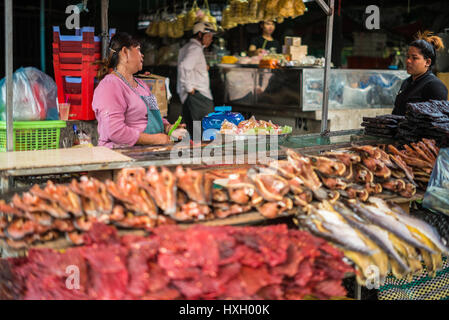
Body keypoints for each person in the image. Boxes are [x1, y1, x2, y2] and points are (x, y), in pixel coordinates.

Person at [93, 32, 186, 148]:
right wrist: (154, 139)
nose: (142, 55)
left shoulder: (142, 85)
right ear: (125, 52)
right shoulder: (110, 85)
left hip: (146, 153)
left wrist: (168, 128)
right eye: (138, 50)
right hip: (121, 155)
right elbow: (114, 131)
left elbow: (154, 115)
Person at [392, 31, 448, 116]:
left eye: (414, 58)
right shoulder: (406, 83)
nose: (408, 61)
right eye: (408, 57)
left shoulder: (435, 86)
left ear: (428, 62)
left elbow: (438, 123)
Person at [177, 21, 216, 137]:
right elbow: (184, 66)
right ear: (199, 34)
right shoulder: (195, 49)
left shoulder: (188, 47)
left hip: (193, 95)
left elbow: (189, 66)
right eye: (208, 36)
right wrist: (189, 88)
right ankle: (203, 152)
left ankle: (196, 151)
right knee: (205, 130)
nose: (210, 39)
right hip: (199, 95)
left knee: (194, 129)